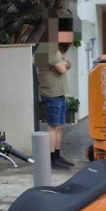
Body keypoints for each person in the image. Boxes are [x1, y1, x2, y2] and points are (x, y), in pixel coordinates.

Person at [36, 21, 74, 170]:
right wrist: (64, 63)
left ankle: (57, 155)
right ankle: (51, 158)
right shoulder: (47, 49)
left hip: (59, 93)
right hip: (51, 94)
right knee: (53, 126)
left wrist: (65, 62)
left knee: (59, 126)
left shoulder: (55, 49)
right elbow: (62, 68)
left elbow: (66, 64)